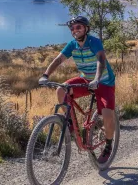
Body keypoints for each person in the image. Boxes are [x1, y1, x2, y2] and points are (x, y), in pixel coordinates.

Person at [38, 16, 116, 164]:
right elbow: (58, 60)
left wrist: (97, 79)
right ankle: (72, 126)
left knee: (107, 115)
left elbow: (101, 60)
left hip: (104, 82)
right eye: (72, 28)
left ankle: (108, 146)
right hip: (86, 80)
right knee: (61, 90)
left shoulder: (94, 42)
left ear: (86, 29)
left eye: (78, 27)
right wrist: (45, 75)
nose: (75, 30)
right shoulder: (72, 45)